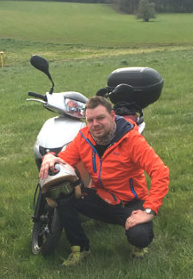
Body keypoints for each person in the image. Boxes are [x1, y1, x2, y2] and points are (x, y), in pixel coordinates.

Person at [39, 96, 169, 266]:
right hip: (102, 197)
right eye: (90, 120)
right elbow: (65, 159)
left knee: (140, 236)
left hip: (129, 201)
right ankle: (80, 247)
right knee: (64, 195)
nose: (95, 124)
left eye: (100, 118)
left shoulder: (131, 140)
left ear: (112, 115)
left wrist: (149, 210)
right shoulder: (83, 137)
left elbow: (160, 171)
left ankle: (138, 245)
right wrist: (49, 156)